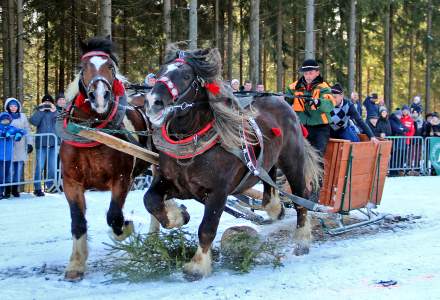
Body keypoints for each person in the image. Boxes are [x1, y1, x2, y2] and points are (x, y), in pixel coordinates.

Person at [286, 59, 335, 156]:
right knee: (300, 155)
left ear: (317, 73)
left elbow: (329, 104)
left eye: (311, 73)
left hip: (320, 128)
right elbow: (286, 101)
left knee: (318, 155)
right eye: (306, 73)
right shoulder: (293, 87)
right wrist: (281, 98)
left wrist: (318, 102)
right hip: (302, 126)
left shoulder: (324, 87)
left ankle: (318, 172)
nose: (308, 76)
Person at [30, 94, 57, 197]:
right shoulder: (39, 111)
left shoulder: (55, 112)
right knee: (39, 167)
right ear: (42, 103)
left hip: (53, 144)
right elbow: (33, 122)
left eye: (49, 102)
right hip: (41, 144)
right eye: (45, 102)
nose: (47, 104)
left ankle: (50, 186)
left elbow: (60, 120)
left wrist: (54, 110)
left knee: (52, 167)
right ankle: (37, 188)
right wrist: (40, 111)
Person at [4, 98, 33, 198]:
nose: (13, 108)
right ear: (8, 106)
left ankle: (15, 189)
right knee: (9, 169)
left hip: (20, 146)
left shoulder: (23, 116)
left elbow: (27, 130)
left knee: (18, 169)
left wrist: (30, 143)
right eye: (11, 106)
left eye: (15, 106)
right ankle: (7, 189)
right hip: (8, 146)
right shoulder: (4, 116)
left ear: (18, 107)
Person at [0, 112, 26, 199]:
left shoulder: (11, 128)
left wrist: (19, 133)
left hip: (8, 157)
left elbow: (23, 131)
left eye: (7, 120)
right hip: (0, 156)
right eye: (3, 120)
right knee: (1, 175)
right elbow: (2, 133)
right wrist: (3, 134)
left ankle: (3, 192)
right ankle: (0, 193)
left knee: (6, 174)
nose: (5, 121)